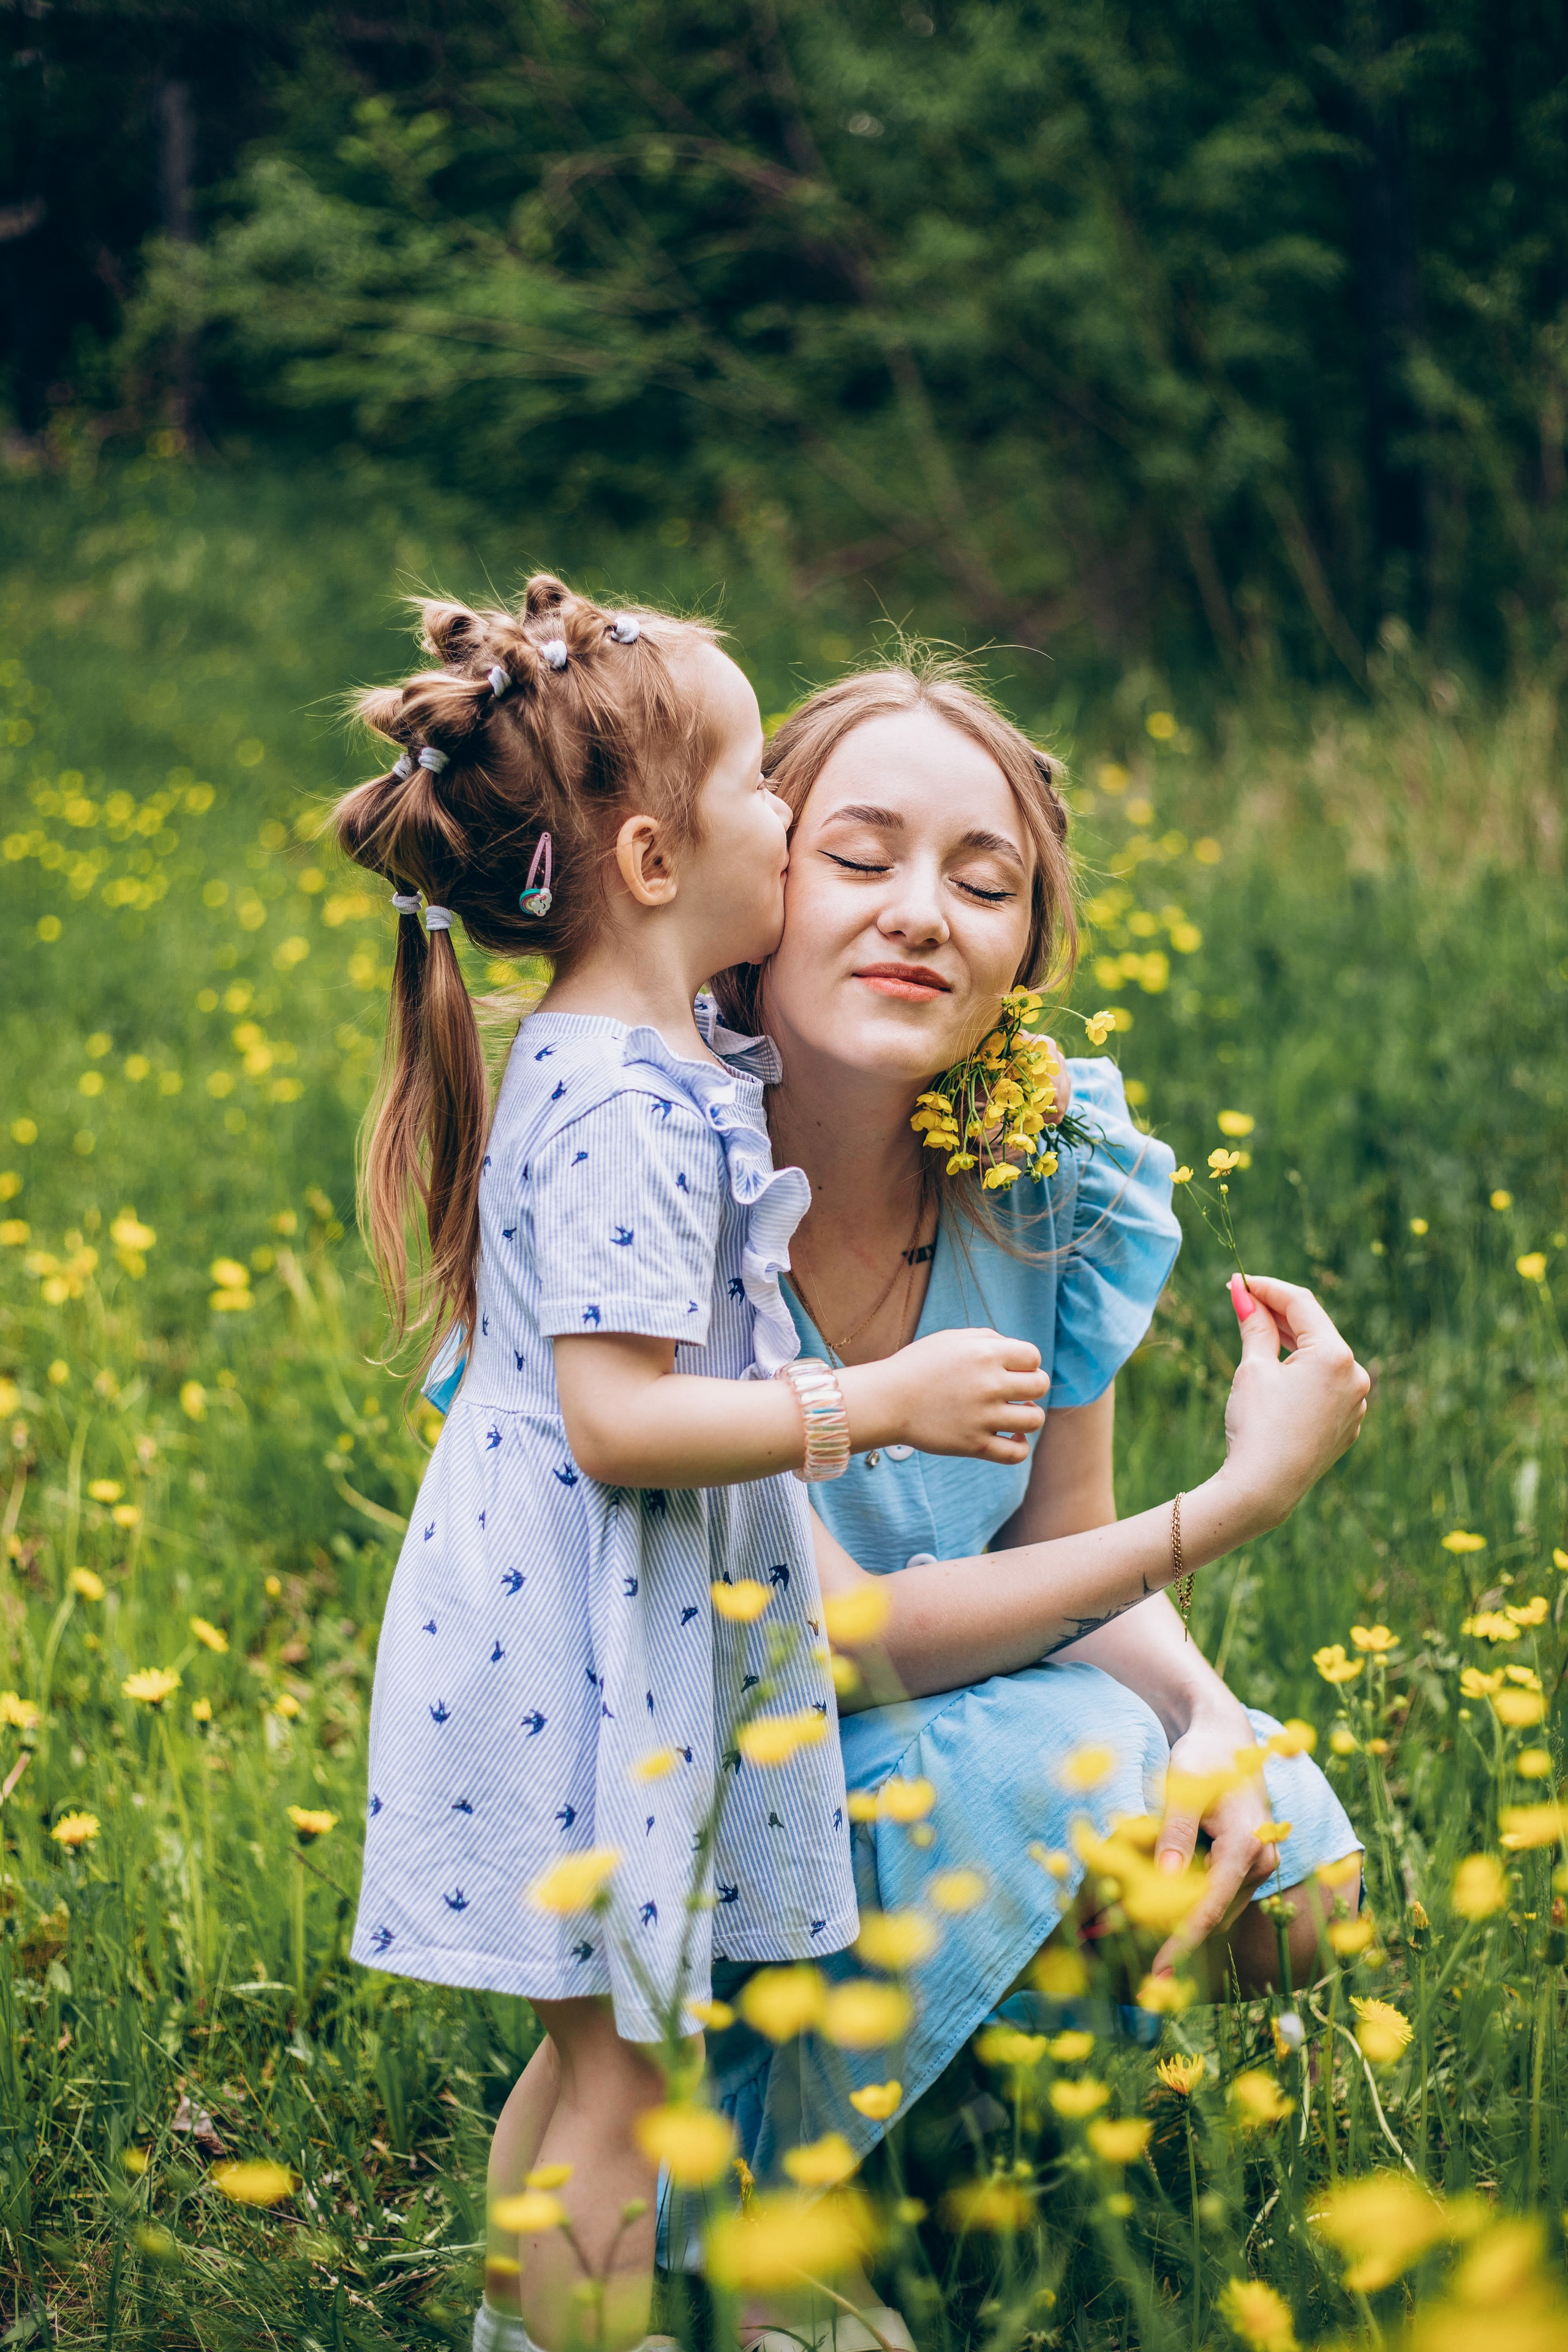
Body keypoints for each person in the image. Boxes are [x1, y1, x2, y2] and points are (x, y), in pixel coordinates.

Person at [334, 585, 1055, 2352]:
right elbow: (619, 1421)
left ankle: (535, 2332)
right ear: (654, 859)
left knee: (605, 2050)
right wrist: (870, 1407)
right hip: (575, 1636)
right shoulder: (627, 1102)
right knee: (622, 2082)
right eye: (759, 788)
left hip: (601, 1618)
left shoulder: (644, 1065)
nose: (786, 822)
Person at [692, 660, 1369, 2331]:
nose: (924, 912)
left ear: (1024, 951)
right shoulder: (664, 1181)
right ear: (752, 882)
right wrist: (1236, 1500)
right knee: (1071, 1757)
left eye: (984, 884)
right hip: (705, 1779)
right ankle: (745, 2207)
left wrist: (1213, 1720)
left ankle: (970, 2123)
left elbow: (1065, 1549)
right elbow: (818, 1643)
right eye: (860, 859)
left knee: (1296, 1867)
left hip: (951, 1707)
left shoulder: (1041, 1176)